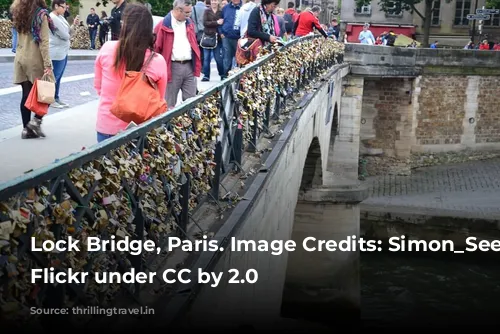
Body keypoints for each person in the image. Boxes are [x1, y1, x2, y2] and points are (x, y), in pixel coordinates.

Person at [94, 3, 168, 143]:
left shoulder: (107, 49)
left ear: (124, 25)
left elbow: (98, 88)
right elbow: (159, 97)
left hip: (106, 127)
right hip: (141, 128)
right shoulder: (157, 61)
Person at [11, 0, 55, 139]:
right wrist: (48, 64)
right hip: (35, 59)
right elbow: (44, 42)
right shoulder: (41, 14)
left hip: (20, 57)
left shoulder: (18, 12)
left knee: (26, 94)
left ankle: (26, 130)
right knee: (48, 89)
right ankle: (35, 122)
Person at [154, 0, 201, 109]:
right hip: (172, 67)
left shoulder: (189, 23)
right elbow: (156, 49)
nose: (189, 15)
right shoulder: (162, 25)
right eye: (187, 12)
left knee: (191, 103)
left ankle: (190, 125)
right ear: (178, 10)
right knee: (169, 104)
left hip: (189, 66)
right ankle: (168, 125)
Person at [49, 0, 79, 109]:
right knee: (54, 77)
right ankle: (50, 99)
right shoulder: (52, 18)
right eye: (63, 7)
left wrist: (74, 25)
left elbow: (68, 33)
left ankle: (56, 97)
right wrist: (69, 34)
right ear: (56, 6)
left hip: (63, 51)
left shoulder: (61, 17)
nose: (65, 9)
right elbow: (65, 36)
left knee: (59, 77)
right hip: (56, 52)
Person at [202, 0, 225, 82]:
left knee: (218, 58)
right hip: (208, 37)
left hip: (217, 38)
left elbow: (223, 23)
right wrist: (216, 22)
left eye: (215, 1)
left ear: (218, 2)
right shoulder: (207, 11)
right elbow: (205, 23)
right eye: (212, 0)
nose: (214, 2)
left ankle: (222, 74)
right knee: (206, 58)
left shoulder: (221, 11)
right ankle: (206, 75)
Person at [220, 0, 242, 77]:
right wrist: (221, 32)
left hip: (239, 38)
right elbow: (221, 20)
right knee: (227, 58)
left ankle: (238, 77)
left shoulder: (243, 8)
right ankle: (225, 77)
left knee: (239, 58)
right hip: (226, 37)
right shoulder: (225, 8)